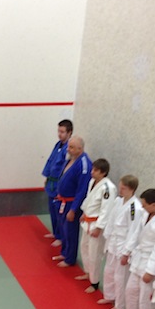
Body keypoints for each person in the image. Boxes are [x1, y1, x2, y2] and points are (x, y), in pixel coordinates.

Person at [100, 175, 141, 309]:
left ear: (131, 189)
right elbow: (111, 220)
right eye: (120, 187)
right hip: (113, 240)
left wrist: (127, 252)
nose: (120, 190)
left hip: (123, 244)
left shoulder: (135, 208)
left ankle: (119, 305)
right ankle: (109, 296)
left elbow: (134, 231)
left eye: (123, 188)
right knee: (108, 271)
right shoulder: (118, 200)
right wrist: (107, 236)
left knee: (120, 277)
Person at [76, 158, 118, 293]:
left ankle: (94, 282)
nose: (92, 172)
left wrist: (99, 227)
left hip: (96, 225)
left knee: (94, 254)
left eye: (96, 170)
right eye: (93, 169)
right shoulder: (92, 182)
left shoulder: (108, 188)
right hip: (87, 221)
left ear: (103, 172)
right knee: (84, 247)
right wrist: (84, 212)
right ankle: (87, 272)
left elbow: (106, 210)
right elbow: (89, 201)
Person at [52, 136, 91, 268]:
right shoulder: (71, 159)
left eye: (72, 147)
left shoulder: (84, 164)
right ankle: (64, 253)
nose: (68, 149)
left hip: (71, 203)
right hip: (62, 200)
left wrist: (74, 209)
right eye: (69, 146)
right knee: (63, 229)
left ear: (80, 148)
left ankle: (70, 258)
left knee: (71, 231)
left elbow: (82, 190)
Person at [41, 119, 73, 246]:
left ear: (69, 133)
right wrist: (47, 177)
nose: (59, 134)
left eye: (62, 132)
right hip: (51, 182)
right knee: (52, 209)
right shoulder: (58, 145)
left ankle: (60, 236)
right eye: (58, 131)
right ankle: (55, 232)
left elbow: (65, 168)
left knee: (59, 212)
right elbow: (51, 161)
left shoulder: (68, 149)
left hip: (59, 183)